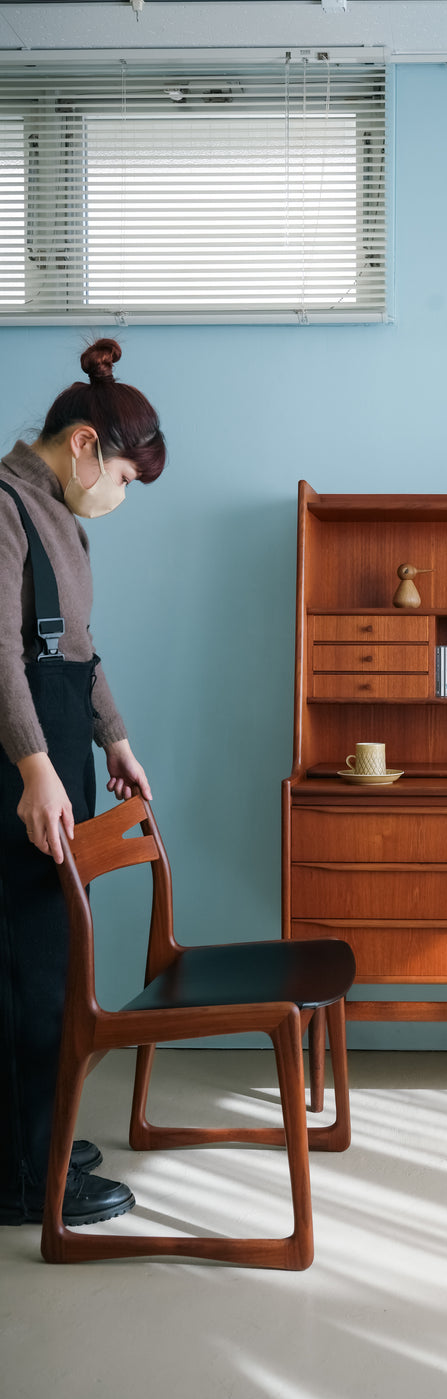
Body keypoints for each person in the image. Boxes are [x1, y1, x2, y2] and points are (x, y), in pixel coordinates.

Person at [0, 338, 165, 1226]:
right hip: (23, 770)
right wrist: (33, 767)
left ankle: (41, 1137)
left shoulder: (56, 513)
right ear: (83, 446)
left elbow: (76, 648)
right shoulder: (3, 508)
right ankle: (31, 1178)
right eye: (126, 480)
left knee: (54, 956)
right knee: (28, 965)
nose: (121, 499)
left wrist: (117, 738)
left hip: (61, 757)